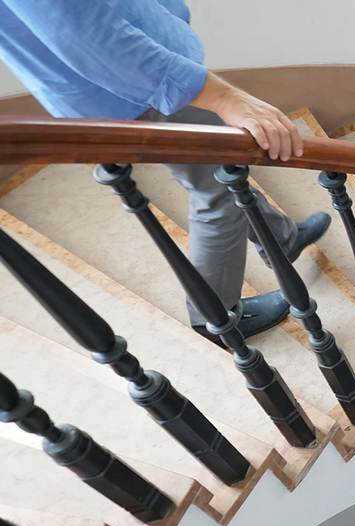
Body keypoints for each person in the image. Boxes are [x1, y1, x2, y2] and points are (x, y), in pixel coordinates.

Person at [0, 0, 330, 342]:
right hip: (133, 81)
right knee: (219, 191)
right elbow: (81, 32)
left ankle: (280, 238)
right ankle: (216, 316)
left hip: (114, 76)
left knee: (219, 173)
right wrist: (223, 97)